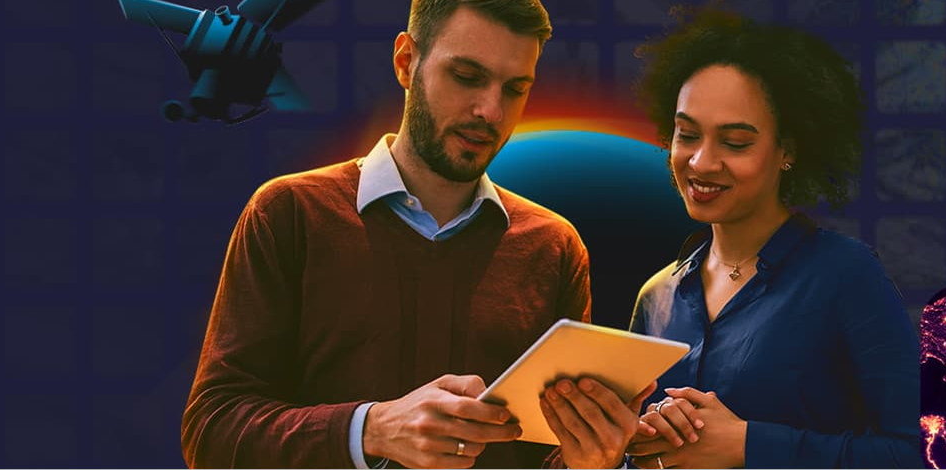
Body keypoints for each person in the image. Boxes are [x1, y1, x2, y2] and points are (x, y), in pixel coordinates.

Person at [180, 1, 653, 468]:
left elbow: (548, 458)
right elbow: (212, 430)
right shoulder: (289, 214)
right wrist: (373, 430)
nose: (491, 110)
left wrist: (592, 460)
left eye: (515, 89)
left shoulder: (554, 247)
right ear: (406, 62)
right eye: (467, 77)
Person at [610, 5, 924, 469]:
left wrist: (747, 445)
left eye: (735, 142)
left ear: (788, 151)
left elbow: (917, 454)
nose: (700, 162)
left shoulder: (846, 276)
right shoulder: (656, 298)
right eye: (686, 135)